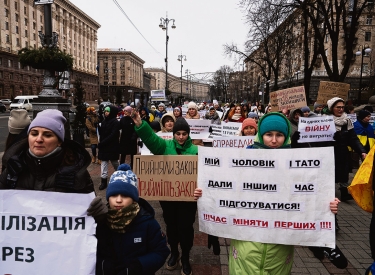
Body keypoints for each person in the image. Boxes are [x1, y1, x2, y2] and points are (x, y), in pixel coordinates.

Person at [194, 112, 341, 274]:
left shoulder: (298, 164)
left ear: (286, 137)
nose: (273, 140)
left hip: (279, 248)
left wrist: (327, 206)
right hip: (246, 244)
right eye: (268, 134)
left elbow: (308, 197)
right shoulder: (242, 160)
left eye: (279, 135)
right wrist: (205, 194)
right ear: (260, 135)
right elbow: (224, 190)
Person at [132, 113, 198, 275]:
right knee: (171, 226)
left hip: (188, 199)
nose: (181, 137)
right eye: (178, 133)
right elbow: (151, 140)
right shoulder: (164, 146)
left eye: (184, 134)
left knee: (186, 228)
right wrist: (141, 125)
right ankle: (174, 252)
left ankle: (185, 257)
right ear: (173, 134)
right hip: (168, 197)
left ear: (188, 134)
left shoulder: (196, 150)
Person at [95, 164, 170, 275]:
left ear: (134, 199)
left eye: (125, 196)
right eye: (114, 195)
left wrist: (139, 266)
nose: (119, 200)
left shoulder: (147, 223)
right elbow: (87, 251)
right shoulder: (100, 222)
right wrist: (102, 265)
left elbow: (160, 252)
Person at [0, 109, 94, 194]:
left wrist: (96, 211)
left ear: (59, 141)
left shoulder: (77, 172)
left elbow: (86, 207)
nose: (39, 139)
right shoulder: (13, 168)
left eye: (47, 135)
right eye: (34, 133)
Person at [98, 106, 120, 190]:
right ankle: (103, 181)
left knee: (115, 163)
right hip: (104, 147)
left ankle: (121, 177)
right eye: (105, 111)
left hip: (112, 146)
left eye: (108, 111)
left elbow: (113, 134)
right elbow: (102, 133)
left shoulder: (115, 122)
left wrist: (103, 142)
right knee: (104, 164)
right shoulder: (104, 121)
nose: (106, 112)